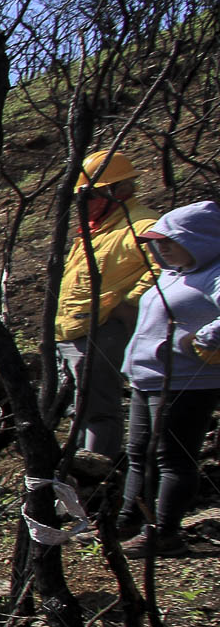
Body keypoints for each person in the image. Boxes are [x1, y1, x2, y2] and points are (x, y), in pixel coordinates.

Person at [119, 201, 220, 557]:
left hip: (188, 380)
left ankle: (163, 533)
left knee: (172, 457)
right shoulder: (171, 274)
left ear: (198, 239)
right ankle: (128, 521)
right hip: (148, 378)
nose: (160, 247)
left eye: (168, 240)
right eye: (156, 241)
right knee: (137, 453)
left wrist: (203, 339)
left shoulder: (215, 274)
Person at [56, 150, 159, 459]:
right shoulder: (97, 229)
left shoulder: (142, 225)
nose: (84, 202)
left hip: (101, 331)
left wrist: (130, 303)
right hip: (71, 331)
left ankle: (98, 476)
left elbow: (166, 269)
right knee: (79, 409)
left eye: (91, 194)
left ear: (118, 190)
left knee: (98, 411)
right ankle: (75, 473)